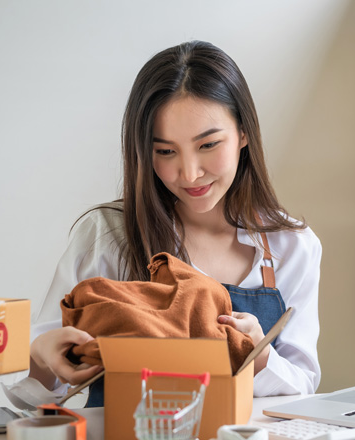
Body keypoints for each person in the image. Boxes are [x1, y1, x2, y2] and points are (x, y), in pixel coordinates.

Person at [29, 40, 321, 404]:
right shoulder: (109, 234)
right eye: (165, 151)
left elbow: (304, 384)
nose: (190, 173)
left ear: (243, 133)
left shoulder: (291, 246)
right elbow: (38, 387)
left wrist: (259, 358)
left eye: (208, 145)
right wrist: (42, 354)